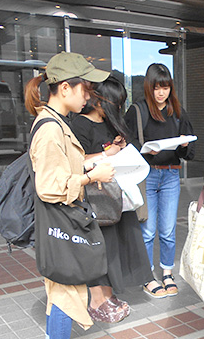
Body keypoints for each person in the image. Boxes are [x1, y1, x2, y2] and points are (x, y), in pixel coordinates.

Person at [26, 51, 114, 339]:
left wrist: (87, 168)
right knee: (66, 292)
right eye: (84, 89)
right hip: (61, 222)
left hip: (58, 222)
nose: (88, 95)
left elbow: (60, 171)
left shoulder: (53, 121)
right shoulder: (50, 129)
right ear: (64, 88)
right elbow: (49, 187)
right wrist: (91, 177)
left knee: (61, 291)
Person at [71, 75, 167, 322]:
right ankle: (97, 300)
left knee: (115, 247)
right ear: (100, 101)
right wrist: (107, 152)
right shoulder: (79, 124)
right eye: (116, 104)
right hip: (94, 199)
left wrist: (122, 148)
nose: (118, 110)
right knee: (99, 249)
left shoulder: (110, 124)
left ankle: (109, 296)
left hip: (116, 197)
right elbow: (76, 161)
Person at [124, 63, 195, 297]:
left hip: (171, 174)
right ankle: (148, 276)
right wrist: (145, 151)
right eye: (156, 88)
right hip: (147, 176)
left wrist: (185, 145)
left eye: (165, 87)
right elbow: (126, 144)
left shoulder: (177, 111)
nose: (161, 92)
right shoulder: (138, 110)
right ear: (149, 87)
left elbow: (188, 152)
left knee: (168, 230)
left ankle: (167, 272)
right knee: (148, 230)